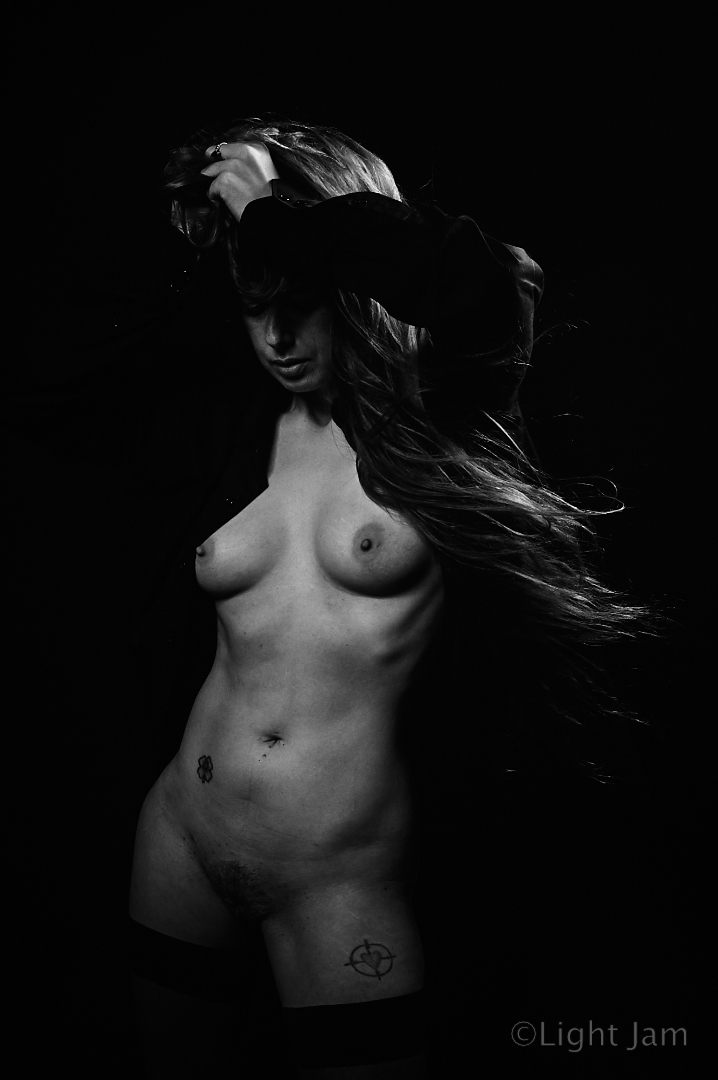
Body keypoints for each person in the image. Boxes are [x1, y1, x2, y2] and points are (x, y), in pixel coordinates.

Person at [14, 115, 667, 1078]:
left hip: (340, 878)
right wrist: (212, 235)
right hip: (181, 839)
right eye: (254, 306)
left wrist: (279, 219)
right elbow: (43, 377)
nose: (277, 338)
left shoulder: (445, 412)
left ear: (347, 282)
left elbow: (487, 280)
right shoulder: (226, 424)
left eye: (302, 301)